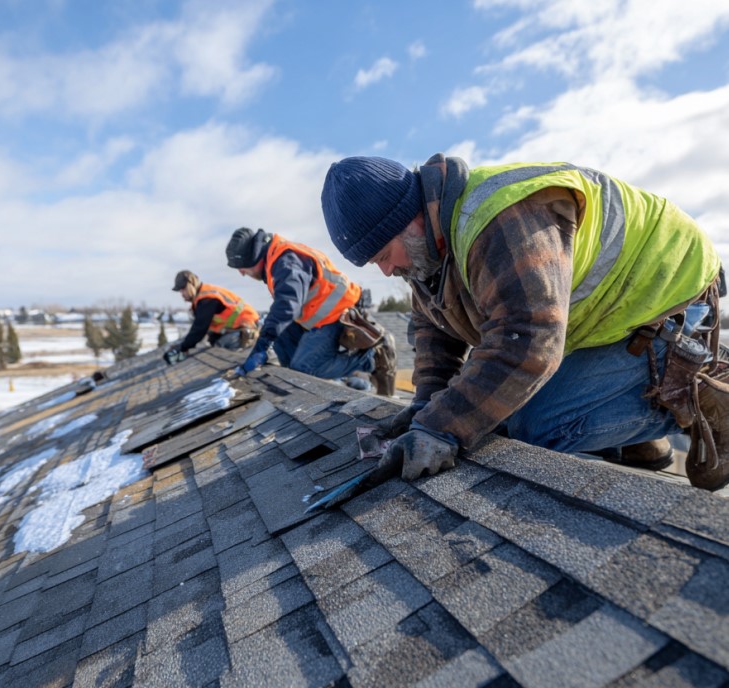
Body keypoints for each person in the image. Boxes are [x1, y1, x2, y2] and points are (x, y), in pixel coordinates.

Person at [321, 154, 729, 491]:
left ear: (407, 221)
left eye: (383, 256)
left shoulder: (501, 219)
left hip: (669, 294)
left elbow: (529, 341)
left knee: (530, 424)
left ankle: (696, 392)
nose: (388, 271)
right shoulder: (430, 245)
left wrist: (443, 428)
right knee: (492, 407)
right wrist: (427, 405)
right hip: (606, 319)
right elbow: (434, 326)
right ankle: (631, 432)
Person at [224, 227, 397, 395]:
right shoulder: (275, 257)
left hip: (338, 314)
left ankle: (372, 358)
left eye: (242, 268)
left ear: (252, 259)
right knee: (282, 341)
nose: (241, 273)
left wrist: (261, 347)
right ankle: (297, 382)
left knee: (305, 369)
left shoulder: (285, 261)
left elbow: (286, 306)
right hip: (320, 316)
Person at [163, 270, 259, 364]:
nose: (182, 294)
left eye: (183, 289)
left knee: (220, 351)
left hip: (246, 329)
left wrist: (183, 347)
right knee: (214, 344)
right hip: (238, 329)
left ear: (190, 285)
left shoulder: (207, 299)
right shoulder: (202, 297)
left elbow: (199, 329)